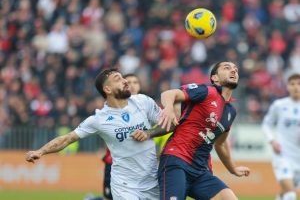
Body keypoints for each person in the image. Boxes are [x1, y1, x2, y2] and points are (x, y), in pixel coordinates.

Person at [25, 68, 165, 200]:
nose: (125, 81)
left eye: (123, 78)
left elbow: (169, 124)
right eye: (118, 79)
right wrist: (41, 151)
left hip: (152, 182)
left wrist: (149, 133)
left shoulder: (143, 102)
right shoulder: (99, 119)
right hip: (124, 186)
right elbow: (67, 139)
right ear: (107, 89)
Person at [132, 61, 251, 200]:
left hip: (200, 171)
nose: (233, 71)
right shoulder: (207, 91)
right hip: (176, 161)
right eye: (227, 68)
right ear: (214, 78)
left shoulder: (231, 111)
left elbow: (221, 143)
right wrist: (169, 109)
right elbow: (169, 94)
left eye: (235, 69)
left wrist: (233, 169)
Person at [101, 73, 141, 200]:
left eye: (136, 82)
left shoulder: (146, 106)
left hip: (139, 164)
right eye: (128, 82)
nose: (132, 85)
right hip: (115, 163)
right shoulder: (113, 106)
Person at [262, 73, 300, 200]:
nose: (296, 87)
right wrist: (272, 141)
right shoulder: (279, 105)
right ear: (287, 87)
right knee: (291, 194)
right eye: (292, 84)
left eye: (299, 84)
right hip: (283, 155)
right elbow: (266, 124)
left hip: (298, 157)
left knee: (286, 193)